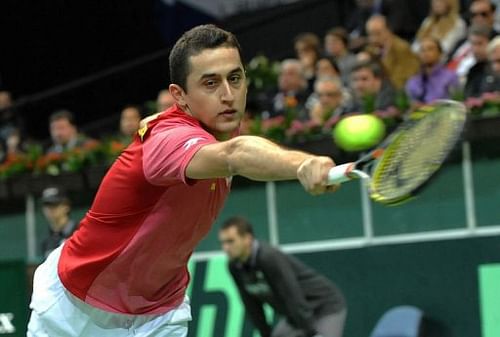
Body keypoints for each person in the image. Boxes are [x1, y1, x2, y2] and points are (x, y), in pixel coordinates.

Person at [27, 24, 340, 337]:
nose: (228, 95)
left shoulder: (220, 131)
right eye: (210, 83)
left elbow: (237, 149)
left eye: (234, 78)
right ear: (180, 95)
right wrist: (304, 164)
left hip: (158, 313)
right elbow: (235, 154)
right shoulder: (168, 138)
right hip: (75, 308)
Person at [219, 216, 347, 337]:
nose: (226, 247)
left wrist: (311, 333)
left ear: (247, 238)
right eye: (223, 242)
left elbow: (292, 295)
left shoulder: (268, 257)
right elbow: (251, 305)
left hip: (325, 307)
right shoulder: (234, 267)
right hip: (296, 315)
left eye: (230, 241)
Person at [365, 15, 420, 90]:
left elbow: (406, 78)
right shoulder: (370, 50)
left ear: (388, 30)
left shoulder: (402, 48)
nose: (373, 39)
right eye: (370, 34)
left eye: (378, 33)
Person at [406, 37, 459, 104]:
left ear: (440, 53)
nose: (426, 53)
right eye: (422, 50)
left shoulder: (450, 77)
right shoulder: (413, 81)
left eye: (430, 49)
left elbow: (456, 102)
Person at [39, 186, 77, 259]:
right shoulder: (46, 241)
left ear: (66, 206)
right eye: (46, 205)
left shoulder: (79, 233)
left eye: (54, 204)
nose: (49, 209)